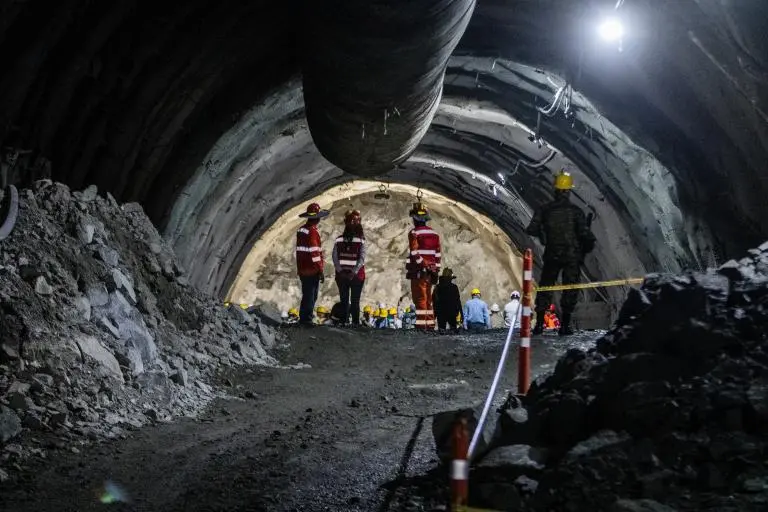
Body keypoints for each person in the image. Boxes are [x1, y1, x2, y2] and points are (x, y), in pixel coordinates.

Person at [526, 170, 596, 336]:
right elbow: (588, 237)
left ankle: (539, 325)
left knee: (545, 287)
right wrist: (582, 250)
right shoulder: (576, 212)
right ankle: (565, 325)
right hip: (572, 256)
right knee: (570, 288)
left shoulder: (545, 210)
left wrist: (544, 236)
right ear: (568, 191)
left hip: (552, 254)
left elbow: (531, 228)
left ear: (555, 190)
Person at [405, 202, 441, 330]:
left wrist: (423, 265)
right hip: (431, 272)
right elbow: (438, 254)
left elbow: (414, 252)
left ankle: (421, 325)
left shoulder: (414, 233)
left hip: (419, 272)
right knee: (428, 299)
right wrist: (435, 269)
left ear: (415, 219)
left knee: (420, 298)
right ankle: (430, 324)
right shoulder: (435, 234)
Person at [296, 202, 330, 326]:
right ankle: (306, 319)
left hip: (302, 268)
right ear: (317, 218)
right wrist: (320, 270)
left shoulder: (301, 230)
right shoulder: (312, 232)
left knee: (306, 294)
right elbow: (315, 253)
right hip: (311, 269)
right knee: (311, 295)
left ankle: (304, 317)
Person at [332, 209, 367, 326]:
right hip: (357, 277)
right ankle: (356, 323)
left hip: (341, 277)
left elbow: (335, 258)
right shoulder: (361, 240)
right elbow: (361, 259)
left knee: (344, 300)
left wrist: (341, 271)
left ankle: (343, 321)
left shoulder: (338, 240)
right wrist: (354, 272)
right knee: (355, 300)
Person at [433, 268, 462, 332]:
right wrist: (461, 315)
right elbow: (458, 302)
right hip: (452, 313)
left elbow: (434, 302)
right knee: (453, 333)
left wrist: (434, 315)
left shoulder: (437, 287)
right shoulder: (454, 287)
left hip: (440, 314)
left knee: (441, 334)